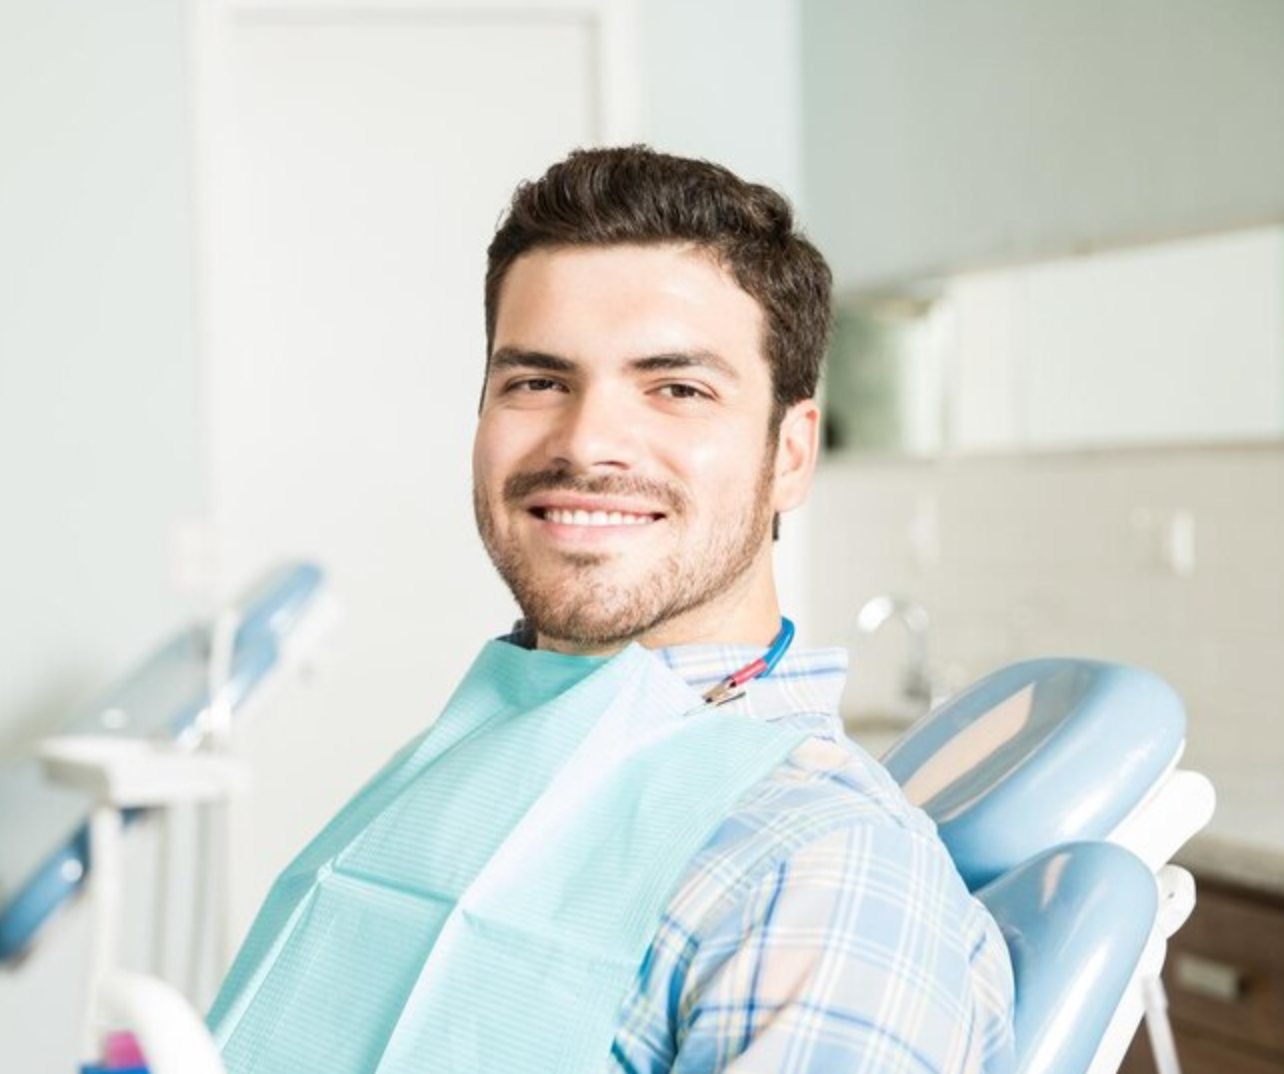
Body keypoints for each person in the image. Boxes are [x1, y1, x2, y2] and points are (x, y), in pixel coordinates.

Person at [209, 146, 1014, 1074]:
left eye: (677, 388)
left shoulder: (820, 870)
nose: (587, 440)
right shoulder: (481, 753)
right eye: (537, 382)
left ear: (790, 454)